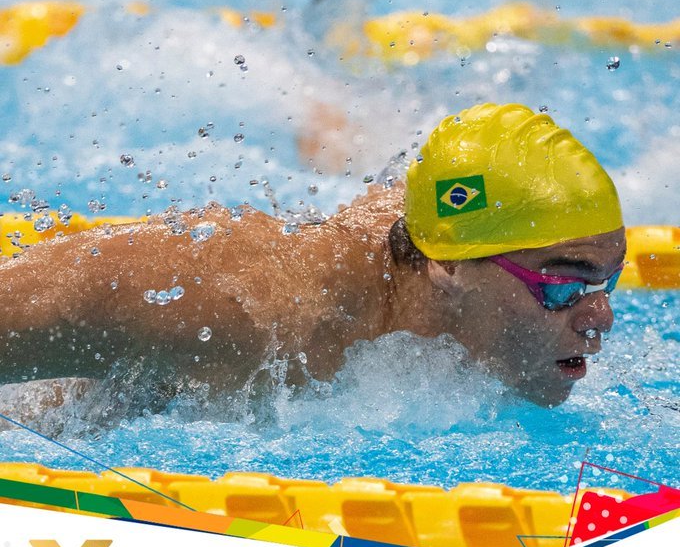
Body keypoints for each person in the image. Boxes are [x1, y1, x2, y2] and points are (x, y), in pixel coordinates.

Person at [0, 103, 625, 407]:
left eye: (608, 282)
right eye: (564, 286)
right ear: (449, 266)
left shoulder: (457, 269)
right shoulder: (237, 309)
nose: (601, 318)